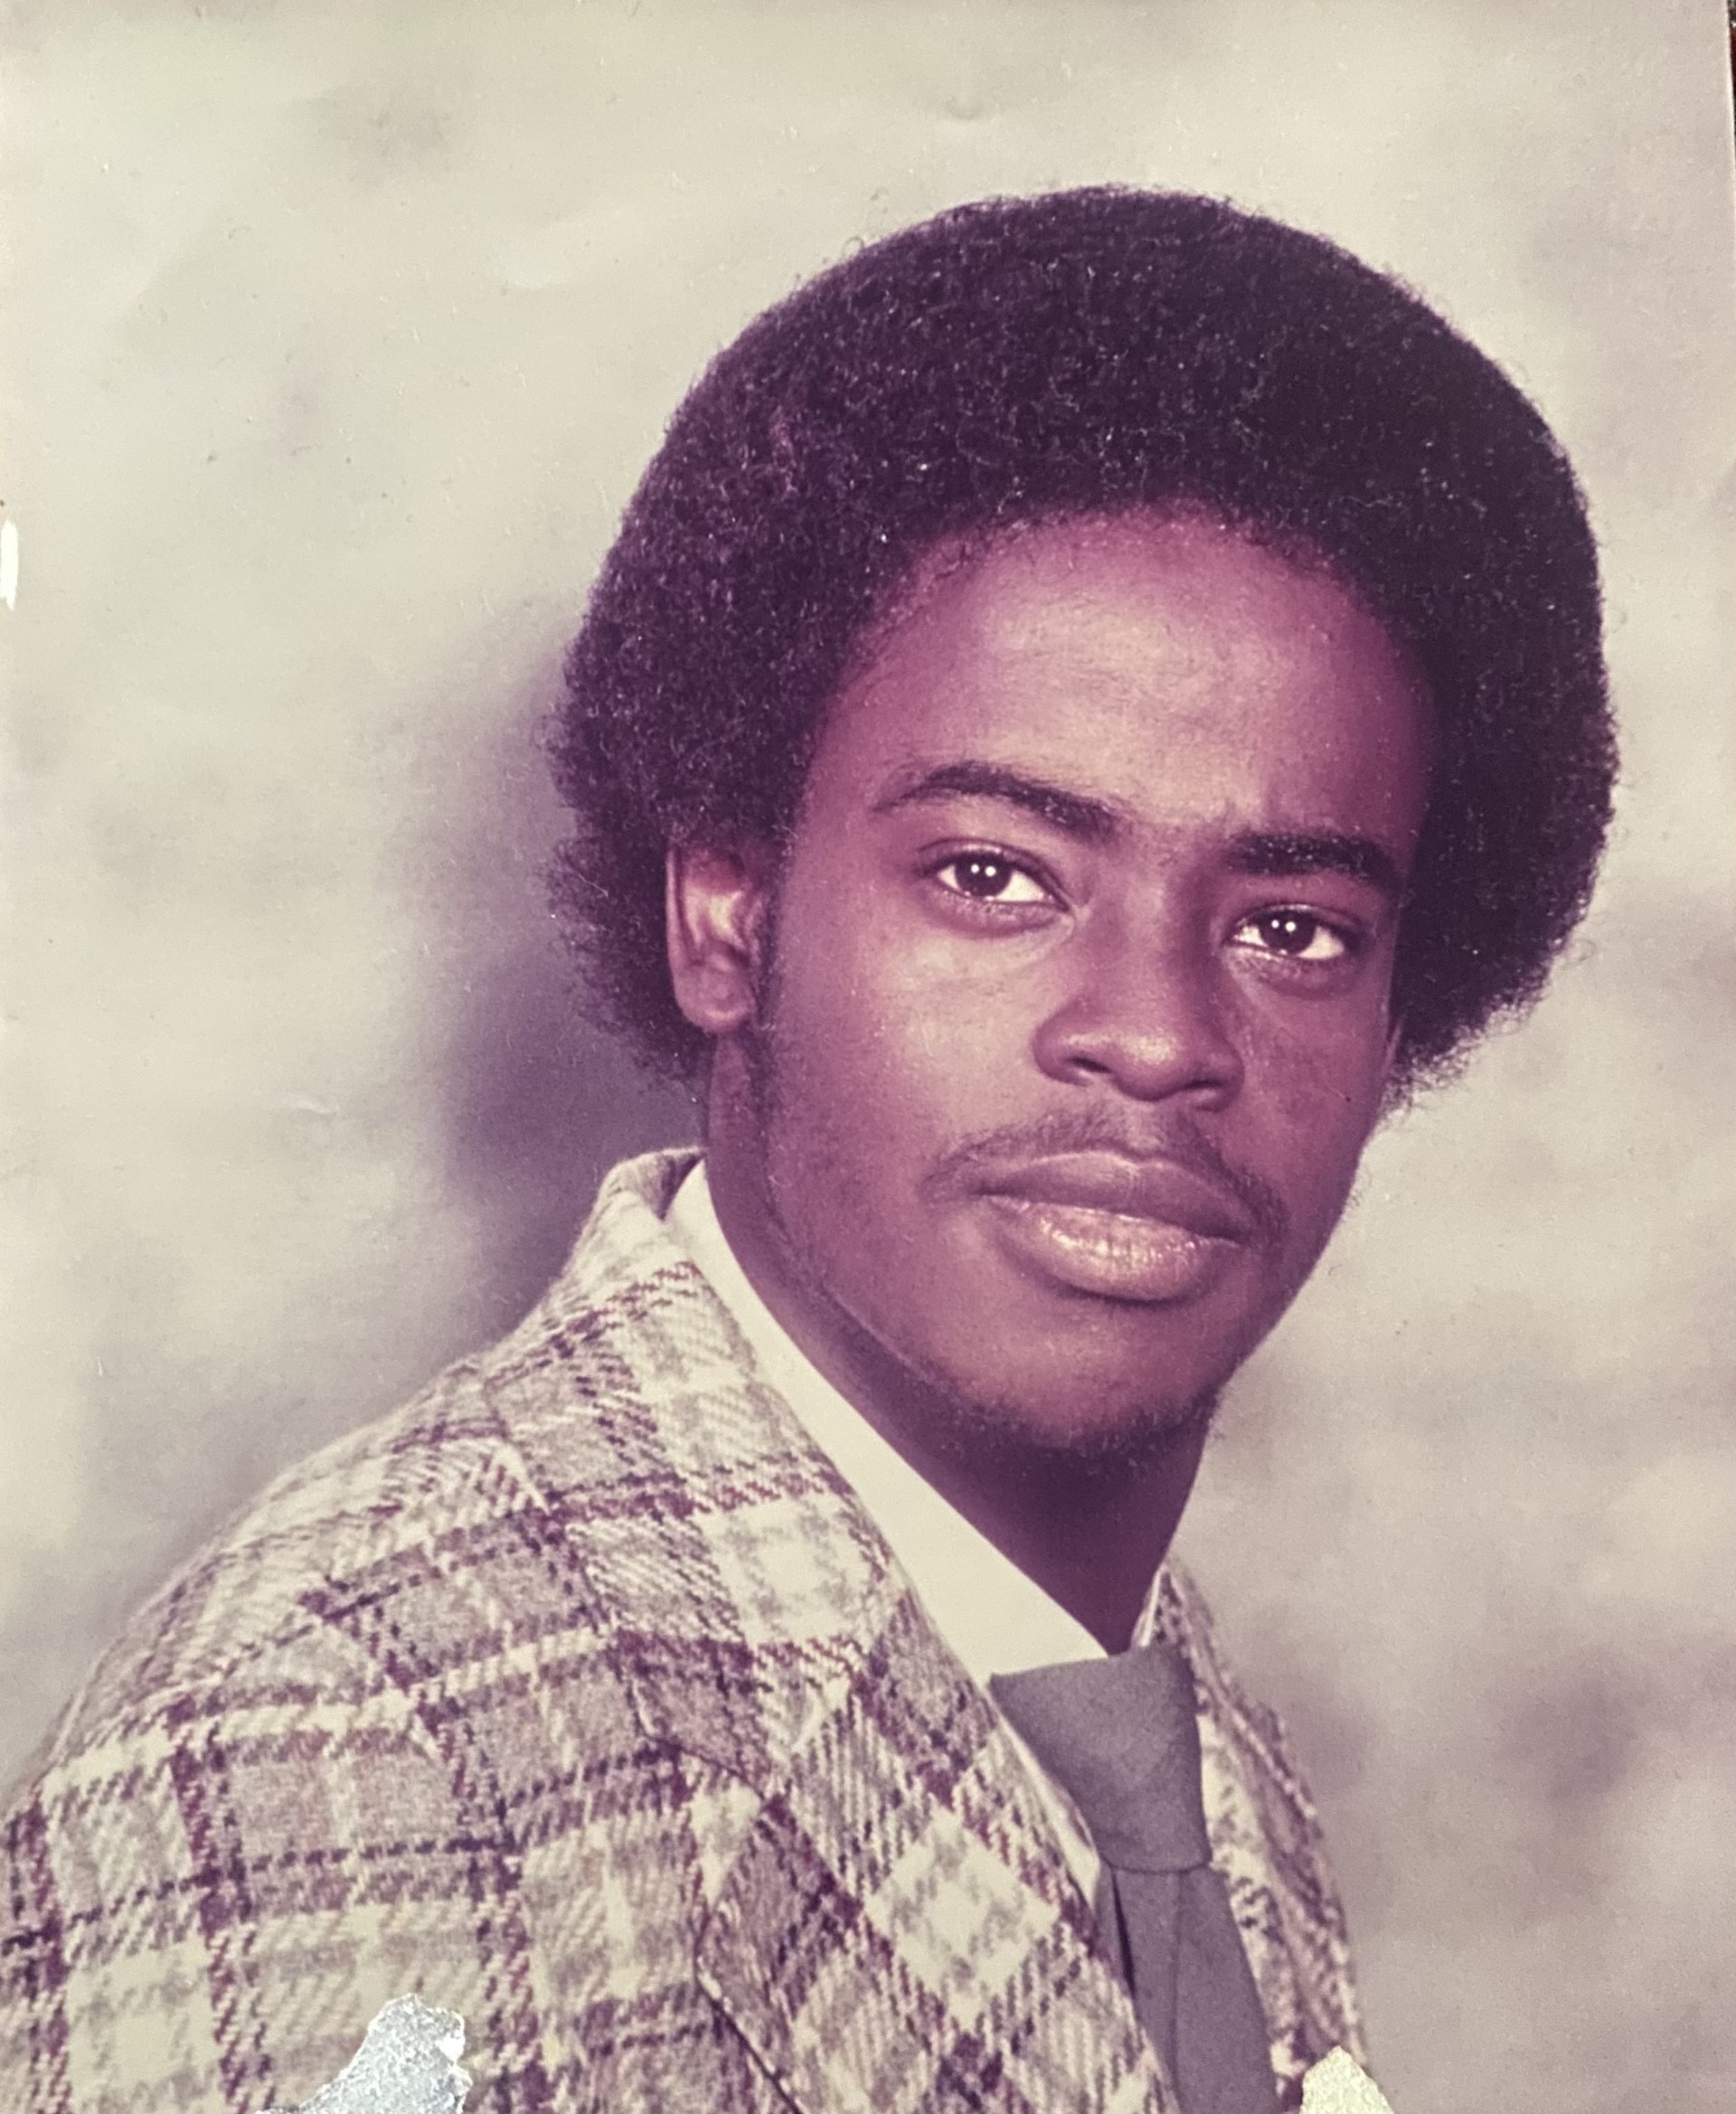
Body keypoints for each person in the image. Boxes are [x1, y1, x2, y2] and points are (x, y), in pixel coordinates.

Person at [0, 188, 1613, 2114]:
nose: (1161, 1033)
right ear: (727, 911)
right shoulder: (346, 1762)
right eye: (995, 875)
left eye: (1292, 926)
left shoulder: (1165, 1727)